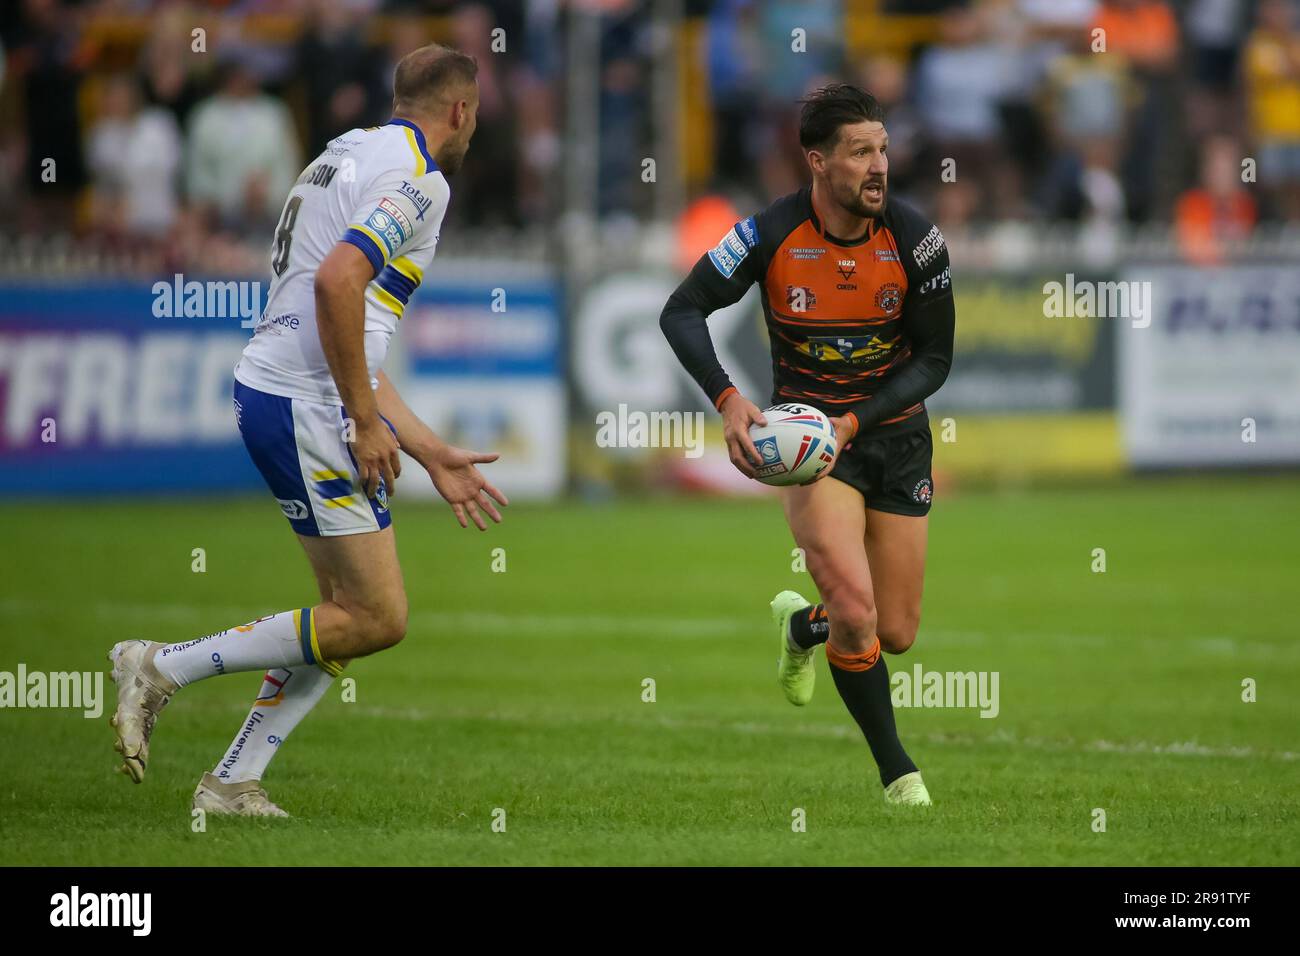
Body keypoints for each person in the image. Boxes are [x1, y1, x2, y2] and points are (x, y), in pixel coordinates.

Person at [108, 44, 508, 817]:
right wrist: (364, 421)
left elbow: (342, 318)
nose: (475, 127)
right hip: (306, 404)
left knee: (340, 613)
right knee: (376, 617)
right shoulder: (421, 180)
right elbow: (337, 284)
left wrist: (425, 447)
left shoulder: (345, 153)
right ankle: (160, 666)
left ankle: (232, 782)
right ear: (460, 110)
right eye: (477, 114)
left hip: (278, 390)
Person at [659, 85, 955, 806]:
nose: (878, 165)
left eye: (882, 149)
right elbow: (682, 310)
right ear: (818, 162)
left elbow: (934, 360)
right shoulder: (767, 234)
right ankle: (898, 775)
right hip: (815, 451)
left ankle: (801, 626)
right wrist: (729, 400)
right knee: (858, 615)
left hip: (895, 439)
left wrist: (859, 419)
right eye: (860, 153)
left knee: (897, 629)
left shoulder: (917, 241)